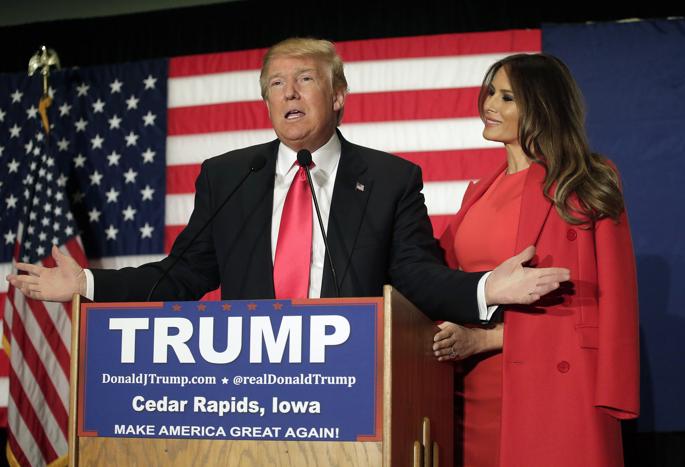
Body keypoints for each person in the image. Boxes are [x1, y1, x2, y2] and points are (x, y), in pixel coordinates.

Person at [6, 39, 569, 324]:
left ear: (338, 95)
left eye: (305, 79)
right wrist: (85, 286)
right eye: (276, 83)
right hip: (254, 393)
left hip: (350, 394)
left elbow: (417, 276)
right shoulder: (227, 177)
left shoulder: (391, 179)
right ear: (265, 100)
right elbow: (182, 276)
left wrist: (483, 289)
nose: (290, 93)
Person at [432, 53, 639, 466]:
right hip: (472, 390)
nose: (489, 104)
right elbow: (443, 282)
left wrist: (487, 339)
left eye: (507, 98)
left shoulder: (586, 181)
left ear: (542, 107)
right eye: (491, 92)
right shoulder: (477, 193)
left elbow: (605, 302)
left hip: (555, 388)